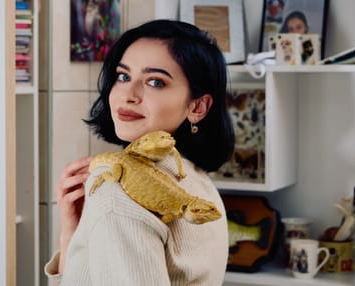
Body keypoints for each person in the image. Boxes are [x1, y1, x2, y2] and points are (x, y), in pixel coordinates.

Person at [45, 19, 235, 285]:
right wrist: (74, 235)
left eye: (155, 82)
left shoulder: (117, 193)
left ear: (198, 107)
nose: (128, 94)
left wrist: (106, 208)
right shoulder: (194, 178)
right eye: (123, 76)